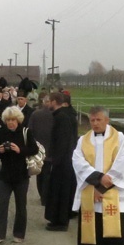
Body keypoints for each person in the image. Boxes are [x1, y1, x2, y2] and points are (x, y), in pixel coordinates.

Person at [72, 106, 124, 245]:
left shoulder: (120, 139)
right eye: (92, 120)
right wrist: (96, 181)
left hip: (113, 195)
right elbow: (78, 162)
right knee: (93, 234)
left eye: (98, 120)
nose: (95, 123)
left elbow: (121, 165)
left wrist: (102, 187)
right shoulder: (83, 140)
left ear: (107, 120)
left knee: (116, 236)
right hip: (91, 193)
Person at [0, 106, 39, 244]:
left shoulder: (25, 132)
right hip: (5, 175)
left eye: (13, 120)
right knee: (2, 205)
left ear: (18, 120)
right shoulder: (1, 133)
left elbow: (34, 149)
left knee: (21, 206)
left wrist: (20, 150)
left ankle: (19, 233)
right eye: (8, 120)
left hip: (21, 175)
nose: (11, 122)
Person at [44, 92, 78, 231]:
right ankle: (58, 218)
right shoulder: (63, 116)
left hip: (63, 161)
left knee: (61, 192)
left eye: (49, 101)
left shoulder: (62, 118)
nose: (48, 104)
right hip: (64, 160)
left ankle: (61, 221)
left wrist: (55, 160)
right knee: (59, 191)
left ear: (54, 102)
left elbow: (63, 141)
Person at [27, 95, 53, 205]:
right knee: (47, 173)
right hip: (51, 148)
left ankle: (42, 194)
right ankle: (46, 196)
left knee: (40, 173)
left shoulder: (35, 114)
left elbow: (30, 130)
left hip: (39, 148)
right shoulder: (55, 115)